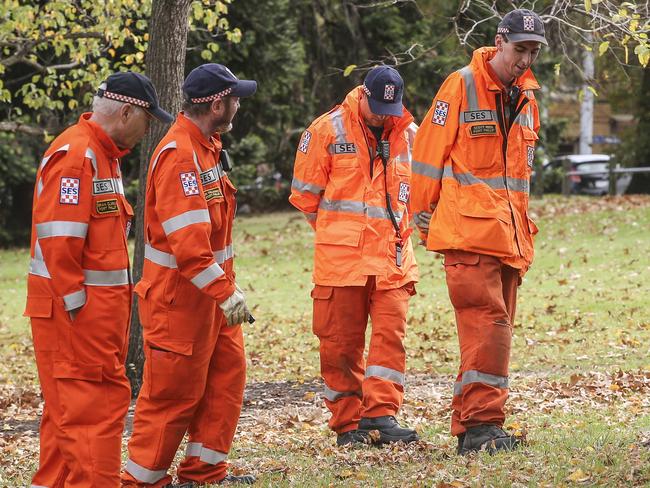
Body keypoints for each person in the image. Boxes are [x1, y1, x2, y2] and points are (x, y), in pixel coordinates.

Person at [24, 72, 173, 487]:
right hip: (77, 320)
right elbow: (59, 242)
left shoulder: (101, 155)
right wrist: (79, 312)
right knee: (94, 413)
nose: (147, 131)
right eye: (147, 120)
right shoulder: (77, 155)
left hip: (89, 319)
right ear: (127, 112)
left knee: (65, 422)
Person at [410, 9, 546, 455]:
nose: (525, 59)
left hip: (508, 238)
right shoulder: (461, 85)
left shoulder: (527, 97)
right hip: (468, 235)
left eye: (533, 51)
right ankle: (483, 427)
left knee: (489, 334)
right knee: (489, 329)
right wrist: (422, 213)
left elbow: (518, 179)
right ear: (499, 41)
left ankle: (473, 425)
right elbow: (428, 154)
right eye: (519, 48)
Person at [121, 64, 256, 487]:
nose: (238, 105)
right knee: (170, 400)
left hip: (212, 301)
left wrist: (224, 294)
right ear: (217, 104)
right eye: (235, 98)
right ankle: (142, 482)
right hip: (179, 305)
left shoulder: (207, 147)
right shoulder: (181, 155)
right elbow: (190, 249)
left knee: (225, 385)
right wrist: (227, 293)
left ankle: (203, 475)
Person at [290, 66, 419, 446]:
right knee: (339, 344)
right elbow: (306, 197)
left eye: (389, 109)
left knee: (389, 339)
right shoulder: (326, 130)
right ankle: (348, 423)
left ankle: (380, 416)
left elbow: (424, 192)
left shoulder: (410, 134)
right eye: (377, 106)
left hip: (393, 258)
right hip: (341, 261)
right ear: (362, 95)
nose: (383, 116)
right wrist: (342, 234)